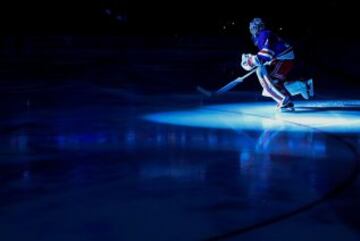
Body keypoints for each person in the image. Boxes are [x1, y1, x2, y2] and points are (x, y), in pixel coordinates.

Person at [241, 18, 314, 112]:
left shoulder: (263, 34)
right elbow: (268, 54)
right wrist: (257, 59)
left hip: (284, 59)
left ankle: (285, 101)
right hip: (284, 58)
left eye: (253, 28)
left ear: (258, 28)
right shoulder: (265, 34)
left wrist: (250, 61)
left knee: (263, 74)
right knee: (269, 90)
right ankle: (302, 86)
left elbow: (265, 55)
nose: (252, 30)